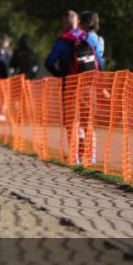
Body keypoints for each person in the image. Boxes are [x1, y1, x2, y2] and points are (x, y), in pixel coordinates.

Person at [45, 11, 99, 164]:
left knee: (72, 123)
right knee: (88, 122)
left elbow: (48, 63)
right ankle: (92, 158)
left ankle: (75, 158)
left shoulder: (62, 42)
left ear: (64, 21)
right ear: (77, 21)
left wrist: (60, 76)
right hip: (89, 85)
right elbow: (99, 62)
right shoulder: (88, 39)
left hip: (70, 85)